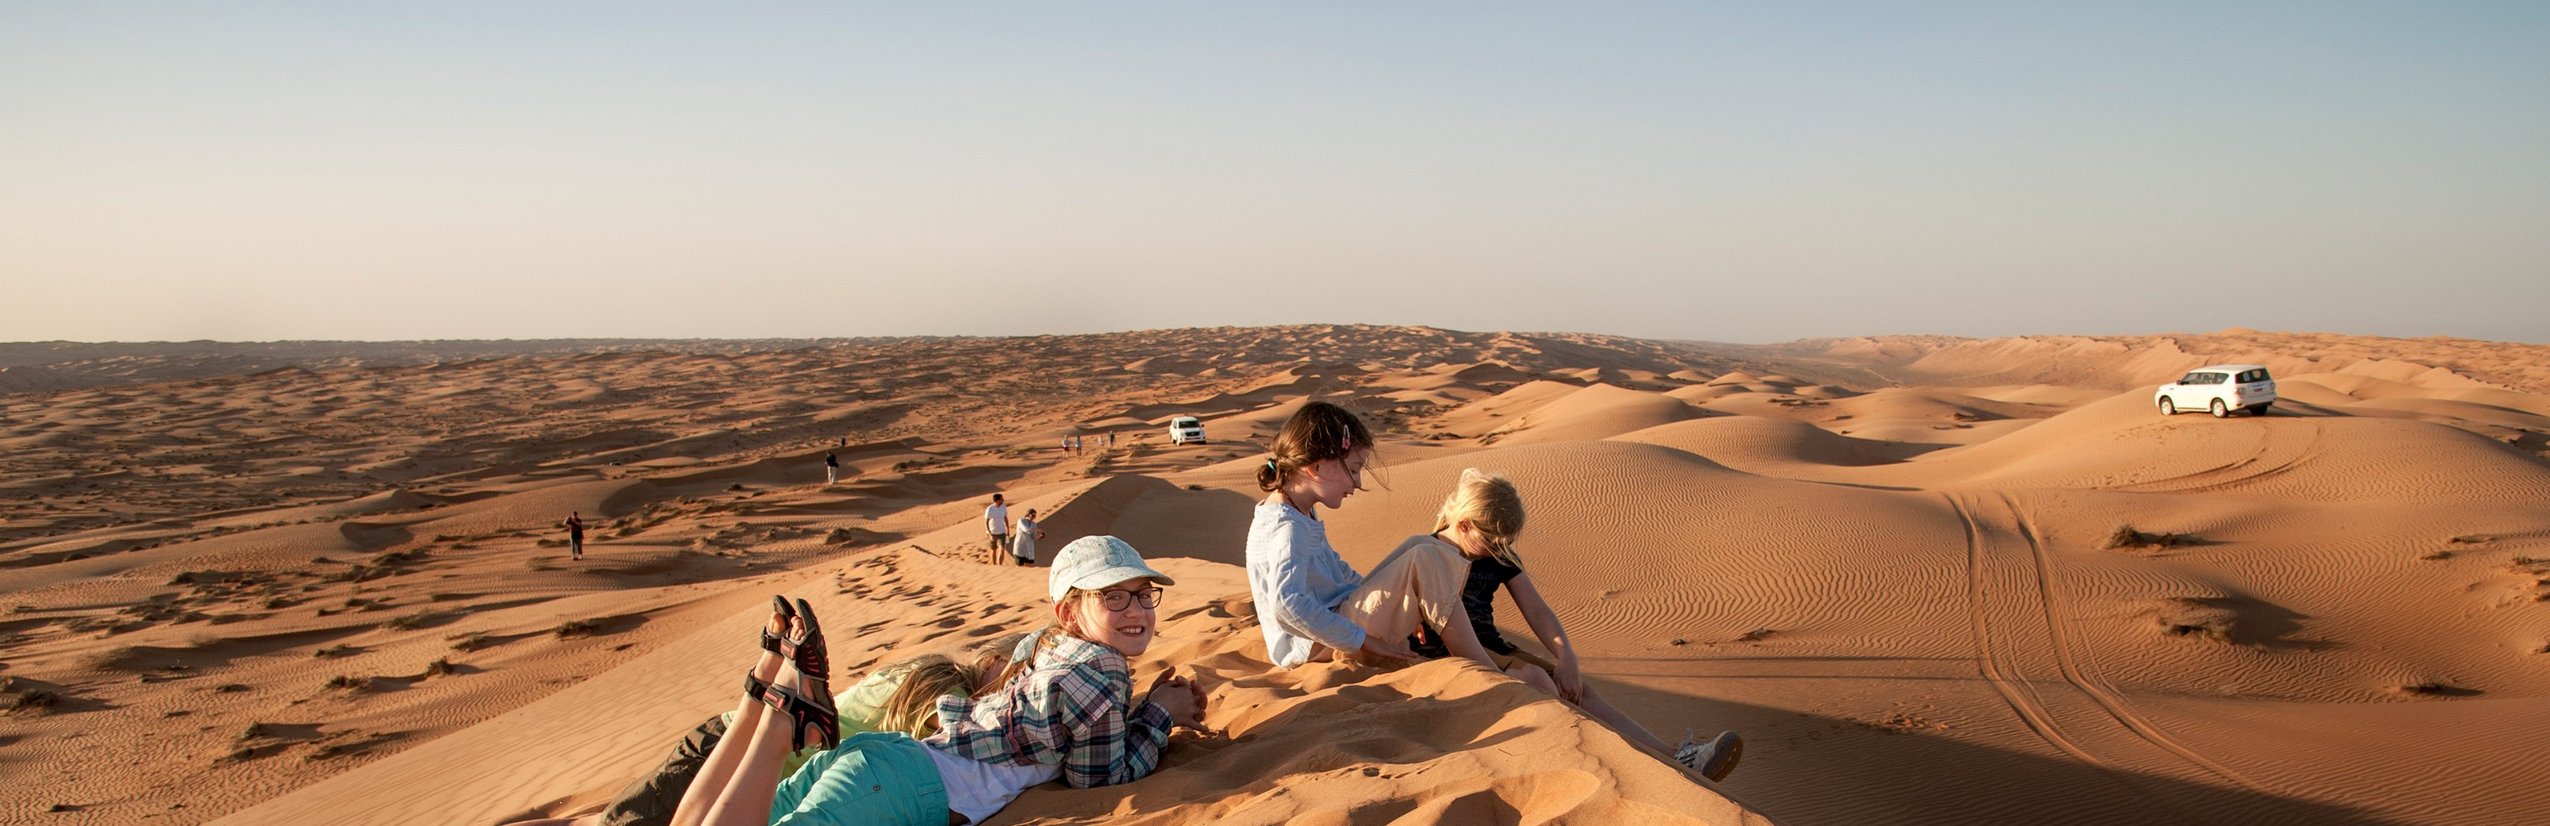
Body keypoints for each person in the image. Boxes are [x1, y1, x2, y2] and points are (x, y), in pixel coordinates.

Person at [662, 535, 1202, 825]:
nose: (1136, 610)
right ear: (1068, 613)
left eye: (1142, 593)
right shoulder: (1102, 669)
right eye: (1113, 596)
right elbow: (1098, 777)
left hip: (884, 764)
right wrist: (1160, 717)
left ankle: (761, 695)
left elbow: (1076, 732)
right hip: (899, 788)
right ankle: (785, 717)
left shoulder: (1055, 652)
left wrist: (1142, 707)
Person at [1404, 469, 1744, 781]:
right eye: (1492, 541)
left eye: (1504, 542)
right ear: (1465, 526)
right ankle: (1620, 767)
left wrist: (1567, 658)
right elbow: (1389, 598)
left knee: (1577, 690)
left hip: (1495, 649)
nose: (1498, 548)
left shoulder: (1499, 554)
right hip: (1447, 662)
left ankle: (1675, 758)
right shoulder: (1427, 553)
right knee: (1539, 683)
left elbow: (1537, 611)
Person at [552, 632, 1028, 826]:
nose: (1003, 686)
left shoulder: (924, 668)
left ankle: (762, 689)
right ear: (991, 662)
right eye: (1004, 674)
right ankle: (776, 710)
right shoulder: (946, 695)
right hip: (763, 758)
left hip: (732, 742)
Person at [1244, 401, 1488, 670]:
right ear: (1316, 467)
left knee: (1420, 544)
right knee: (1426, 558)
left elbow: (1336, 568)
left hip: (1333, 624)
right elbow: (1286, 604)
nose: (1358, 483)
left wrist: (1402, 598)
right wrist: (1363, 641)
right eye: (1354, 468)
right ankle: (1483, 668)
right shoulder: (1287, 526)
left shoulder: (1298, 511)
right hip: (1315, 644)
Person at [983, 494, 1010, 565]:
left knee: (1002, 549)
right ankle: (994, 565)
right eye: (1001, 499)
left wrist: (1008, 529)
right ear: (997, 500)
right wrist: (989, 533)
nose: (1003, 500)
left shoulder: (1003, 507)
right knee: (993, 550)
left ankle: (999, 566)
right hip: (993, 532)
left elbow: (1005, 518)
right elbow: (986, 522)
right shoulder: (990, 509)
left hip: (1002, 532)